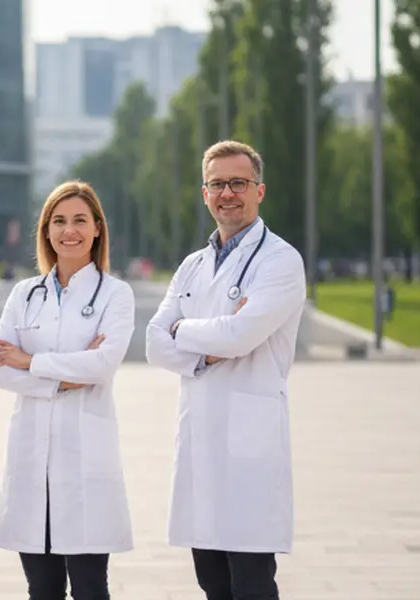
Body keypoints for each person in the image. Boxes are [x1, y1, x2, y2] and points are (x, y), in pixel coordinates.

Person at [144, 140, 306, 600]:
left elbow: (240, 337)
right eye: (218, 184)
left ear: (260, 191)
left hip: (250, 445)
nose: (227, 193)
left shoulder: (280, 260)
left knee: (252, 583)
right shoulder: (193, 266)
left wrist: (183, 330)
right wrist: (206, 347)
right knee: (211, 581)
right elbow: (155, 344)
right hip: (201, 443)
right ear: (204, 193)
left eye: (239, 183)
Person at [0, 181, 135, 600]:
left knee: (91, 589)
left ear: (97, 229)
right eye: (59, 221)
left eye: (79, 221)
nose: (69, 230)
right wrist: (68, 378)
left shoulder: (115, 294)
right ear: (46, 231)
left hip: (86, 459)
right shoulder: (24, 294)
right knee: (42, 590)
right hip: (32, 463)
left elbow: (104, 364)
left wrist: (30, 362)